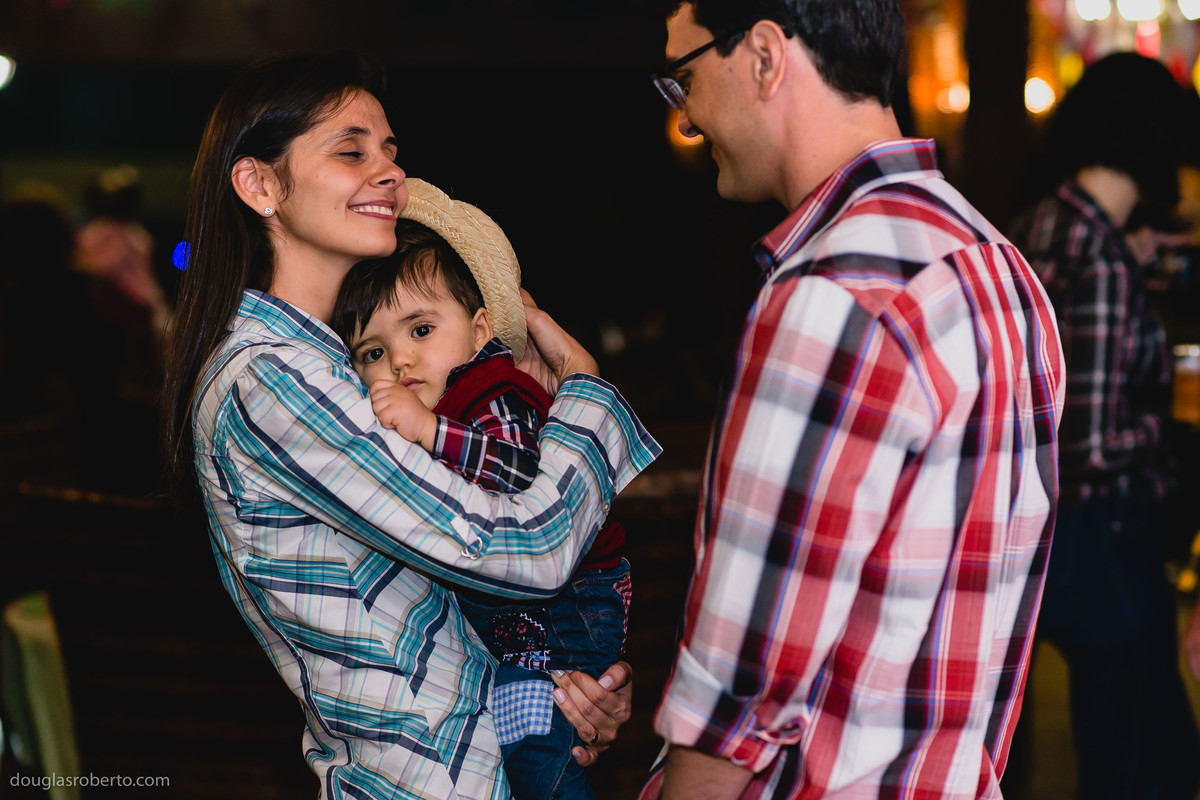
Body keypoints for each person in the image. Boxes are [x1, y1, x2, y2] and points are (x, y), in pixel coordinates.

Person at [159, 51, 661, 800]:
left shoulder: (334, 372)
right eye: (351, 151)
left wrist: (560, 693)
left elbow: (445, 594)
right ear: (259, 184)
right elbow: (531, 548)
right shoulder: (274, 381)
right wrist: (586, 393)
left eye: (390, 152)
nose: (389, 172)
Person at [637, 2, 1066, 799]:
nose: (688, 119)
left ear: (765, 54)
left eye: (685, 79)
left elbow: (735, 695)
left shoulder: (837, 291)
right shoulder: (1000, 269)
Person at [330, 178, 631, 800]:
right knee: (529, 743)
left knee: (543, 754)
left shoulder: (494, 392)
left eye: (420, 331)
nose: (399, 364)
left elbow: (524, 478)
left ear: (480, 330)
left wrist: (433, 431)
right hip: (523, 628)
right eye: (371, 352)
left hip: (570, 607)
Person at [1008, 51, 1200, 800]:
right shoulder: (1100, 256)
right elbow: (1084, 444)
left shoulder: (1037, 223)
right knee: (1147, 762)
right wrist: (1171, 424)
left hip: (1036, 533)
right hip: (1105, 536)